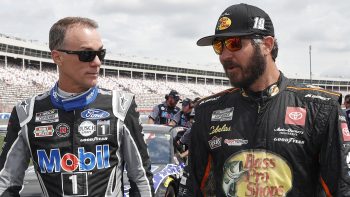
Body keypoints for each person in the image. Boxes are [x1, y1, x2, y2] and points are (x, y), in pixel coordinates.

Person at [189, 3, 350, 196]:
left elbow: (342, 189)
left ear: (267, 45)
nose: (224, 56)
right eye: (219, 46)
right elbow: (193, 188)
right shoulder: (209, 110)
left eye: (234, 43)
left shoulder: (320, 107)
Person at [0, 17, 154, 196]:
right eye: (86, 54)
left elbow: (141, 178)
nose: (97, 62)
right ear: (57, 57)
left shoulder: (121, 106)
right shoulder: (26, 112)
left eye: (101, 53)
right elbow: (6, 182)